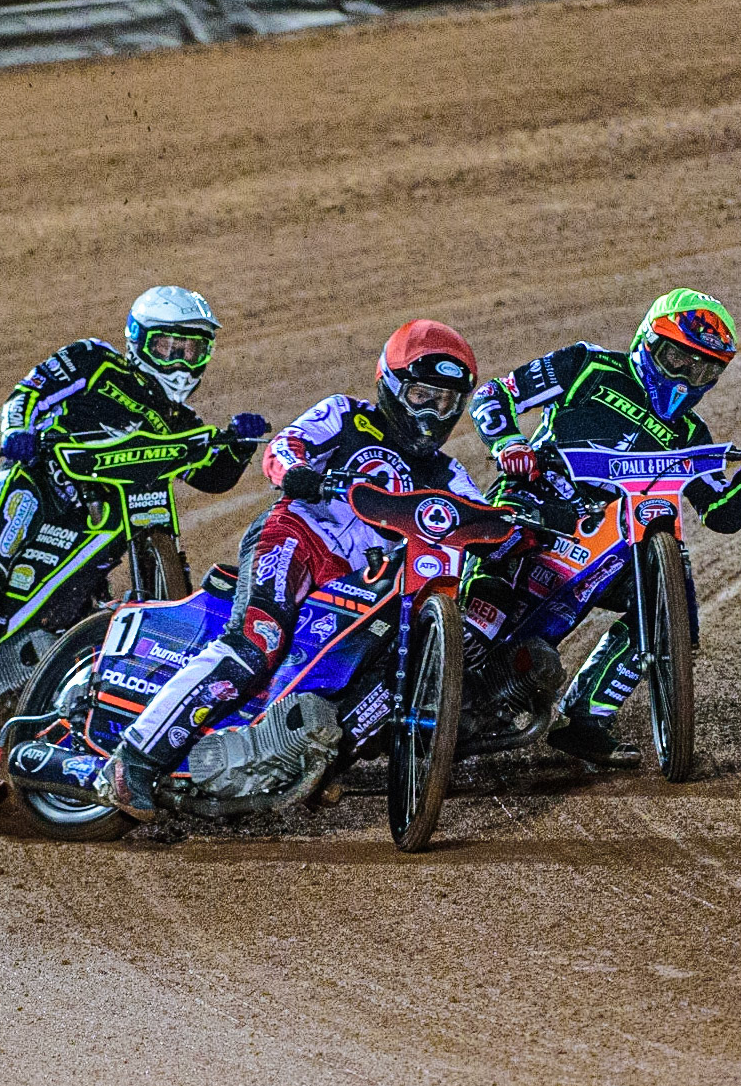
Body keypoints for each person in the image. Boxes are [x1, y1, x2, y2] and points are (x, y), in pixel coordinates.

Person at [98, 318, 486, 821]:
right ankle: (135, 760)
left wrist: (531, 525)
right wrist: (297, 471)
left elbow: (482, 518)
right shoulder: (346, 415)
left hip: (355, 580)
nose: (433, 412)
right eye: (421, 395)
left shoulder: (448, 473)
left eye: (446, 402)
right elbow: (287, 444)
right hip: (295, 538)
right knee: (255, 640)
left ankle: (285, 749)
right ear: (390, 385)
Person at [0, 286, 268, 727]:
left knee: (73, 628)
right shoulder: (93, 360)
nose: (179, 363)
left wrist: (240, 444)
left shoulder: (178, 423)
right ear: (139, 341)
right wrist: (17, 431)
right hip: (30, 490)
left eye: (191, 351)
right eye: (168, 347)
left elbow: (212, 476)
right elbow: (28, 392)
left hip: (90, 534)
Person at [463, 288, 741, 766]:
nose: (685, 376)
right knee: (489, 594)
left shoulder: (691, 436)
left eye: (702, 369)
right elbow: (496, 394)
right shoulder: (587, 366)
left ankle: (586, 720)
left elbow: (721, 513)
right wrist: (509, 443)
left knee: (664, 609)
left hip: (609, 543)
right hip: (536, 503)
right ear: (648, 342)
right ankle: (438, 669)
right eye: (677, 357)